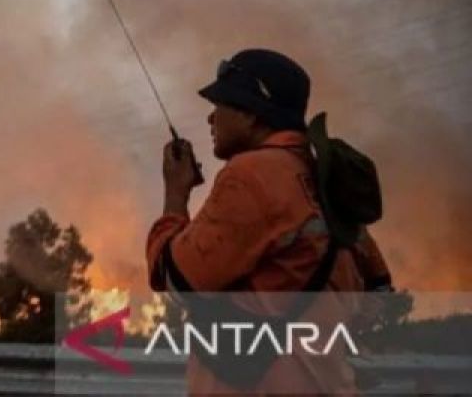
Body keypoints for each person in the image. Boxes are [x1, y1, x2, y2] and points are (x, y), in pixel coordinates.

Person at [146, 48, 391, 395]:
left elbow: (178, 281)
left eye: (220, 105)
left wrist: (175, 195)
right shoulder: (321, 176)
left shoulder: (252, 174)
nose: (210, 119)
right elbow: (379, 289)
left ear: (251, 114)